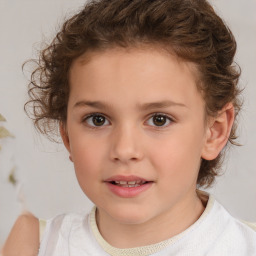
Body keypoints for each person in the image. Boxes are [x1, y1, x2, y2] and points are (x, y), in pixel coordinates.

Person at [1, 0, 256, 255]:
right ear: (67, 135)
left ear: (214, 132)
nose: (124, 149)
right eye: (97, 119)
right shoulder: (31, 245)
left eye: (159, 119)